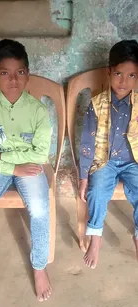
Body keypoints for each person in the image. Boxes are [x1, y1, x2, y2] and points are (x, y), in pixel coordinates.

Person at [0, 39, 52, 303]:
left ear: (28, 74)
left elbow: (40, 154)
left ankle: (39, 266)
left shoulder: (37, 111)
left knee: (39, 207)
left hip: (27, 165)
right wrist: (13, 165)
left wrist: (3, 156)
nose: (13, 80)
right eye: (4, 73)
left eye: (19, 72)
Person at [79, 40, 138, 269]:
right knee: (96, 192)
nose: (124, 81)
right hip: (105, 161)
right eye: (119, 74)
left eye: (132, 75)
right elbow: (86, 142)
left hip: (133, 162)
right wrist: (84, 177)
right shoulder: (97, 104)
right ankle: (95, 237)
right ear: (109, 72)